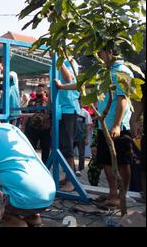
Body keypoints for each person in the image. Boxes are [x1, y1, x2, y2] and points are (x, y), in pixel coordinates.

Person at [56, 43, 134, 208]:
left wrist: (117, 125)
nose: (98, 56)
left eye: (100, 52)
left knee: (122, 162)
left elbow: (123, 99)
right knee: (106, 160)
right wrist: (63, 87)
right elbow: (83, 84)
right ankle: (112, 195)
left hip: (119, 126)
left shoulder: (123, 72)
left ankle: (122, 196)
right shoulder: (101, 72)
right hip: (103, 124)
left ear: (110, 52)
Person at [0, 102, 56, 227]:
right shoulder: (12, 129)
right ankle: (33, 216)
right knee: (13, 176)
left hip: (25, 200)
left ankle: (13, 221)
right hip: (48, 194)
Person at [57, 58, 81, 191]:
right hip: (58, 110)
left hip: (68, 109)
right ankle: (67, 177)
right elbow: (51, 88)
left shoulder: (70, 62)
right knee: (60, 146)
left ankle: (71, 181)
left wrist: (59, 60)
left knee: (68, 145)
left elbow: (69, 79)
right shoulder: (53, 65)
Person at [24, 84, 51, 163]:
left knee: (45, 149)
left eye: (40, 90)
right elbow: (27, 114)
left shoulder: (48, 101)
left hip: (45, 129)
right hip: (33, 128)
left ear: (45, 91)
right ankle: (31, 164)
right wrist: (23, 126)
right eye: (37, 90)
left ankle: (46, 166)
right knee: (31, 148)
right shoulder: (32, 101)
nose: (37, 92)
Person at [0, 56, 21, 126]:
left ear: (3, 65)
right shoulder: (0, 80)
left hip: (13, 110)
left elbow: (9, 77)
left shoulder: (13, 73)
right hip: (1, 109)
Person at [73, 105, 92, 177]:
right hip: (71, 137)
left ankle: (79, 170)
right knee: (70, 154)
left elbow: (88, 126)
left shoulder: (85, 113)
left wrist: (87, 138)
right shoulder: (72, 111)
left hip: (81, 137)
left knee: (81, 154)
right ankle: (72, 169)